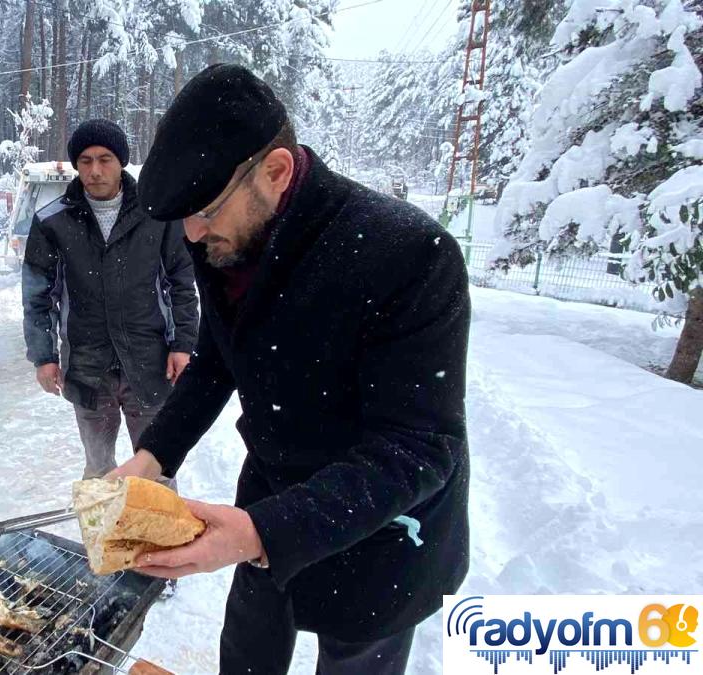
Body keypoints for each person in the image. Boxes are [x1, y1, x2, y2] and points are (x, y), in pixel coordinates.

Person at [110, 64, 471, 674]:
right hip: (271, 491)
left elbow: (419, 447)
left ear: (275, 172)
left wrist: (259, 532)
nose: (193, 237)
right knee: (249, 651)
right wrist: (153, 456)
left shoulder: (407, 254)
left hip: (380, 528)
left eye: (205, 213)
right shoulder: (224, 239)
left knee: (357, 657)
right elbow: (219, 358)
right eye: (184, 222)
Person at [22, 119, 199, 480]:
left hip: (149, 366)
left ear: (121, 162)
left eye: (105, 159)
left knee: (157, 470)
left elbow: (182, 282)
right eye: (85, 161)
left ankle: (163, 537)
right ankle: (103, 535)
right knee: (100, 469)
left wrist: (183, 344)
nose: (95, 170)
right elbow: (38, 297)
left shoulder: (157, 217)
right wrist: (43, 356)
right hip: (88, 369)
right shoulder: (53, 222)